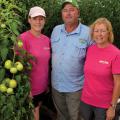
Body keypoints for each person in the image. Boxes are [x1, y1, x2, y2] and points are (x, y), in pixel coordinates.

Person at [51, 0, 93, 120]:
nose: (68, 13)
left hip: (76, 87)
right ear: (61, 14)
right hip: (56, 85)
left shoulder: (88, 32)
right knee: (61, 116)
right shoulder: (56, 30)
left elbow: (94, 59)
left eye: (71, 10)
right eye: (65, 10)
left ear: (78, 13)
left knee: (77, 117)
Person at [80, 18, 120, 120]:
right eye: (96, 31)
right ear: (93, 33)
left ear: (109, 33)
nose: (99, 34)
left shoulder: (116, 53)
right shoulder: (90, 50)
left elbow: (118, 82)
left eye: (103, 31)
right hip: (86, 101)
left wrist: (113, 107)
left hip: (104, 105)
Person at [19, 6, 50, 120]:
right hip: (30, 89)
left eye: (41, 18)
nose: (38, 21)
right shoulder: (22, 39)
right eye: (35, 18)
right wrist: (27, 90)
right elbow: (19, 66)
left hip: (42, 87)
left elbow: (46, 64)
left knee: (37, 111)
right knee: (34, 115)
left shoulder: (47, 40)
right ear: (29, 20)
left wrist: (47, 84)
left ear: (44, 21)